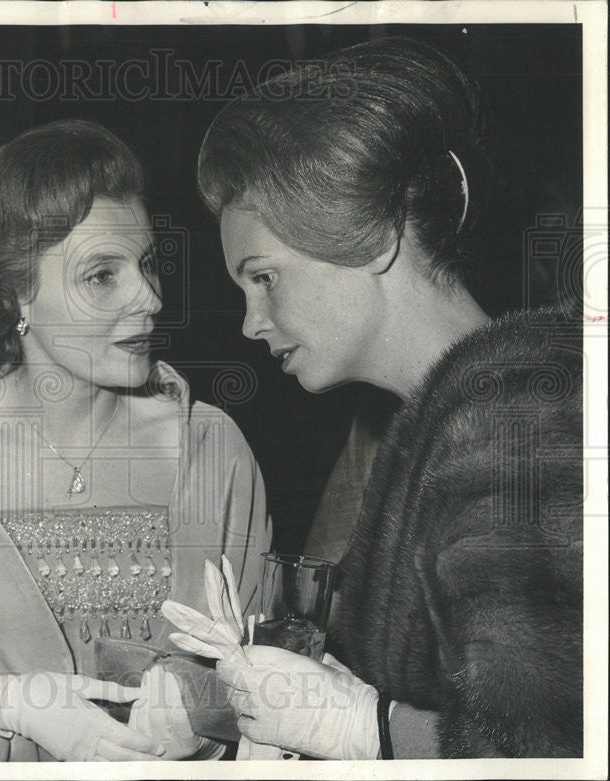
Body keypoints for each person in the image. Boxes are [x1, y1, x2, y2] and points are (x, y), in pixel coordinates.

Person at [164, 37, 582, 759]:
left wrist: (362, 726)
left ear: (375, 238)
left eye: (264, 278)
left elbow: (546, 751)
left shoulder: (512, 423)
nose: (249, 322)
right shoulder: (444, 420)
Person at [0, 119, 271, 762]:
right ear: (13, 289)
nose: (150, 298)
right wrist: (12, 705)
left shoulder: (210, 449)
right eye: (102, 276)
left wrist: (197, 716)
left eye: (147, 264)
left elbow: (273, 682)